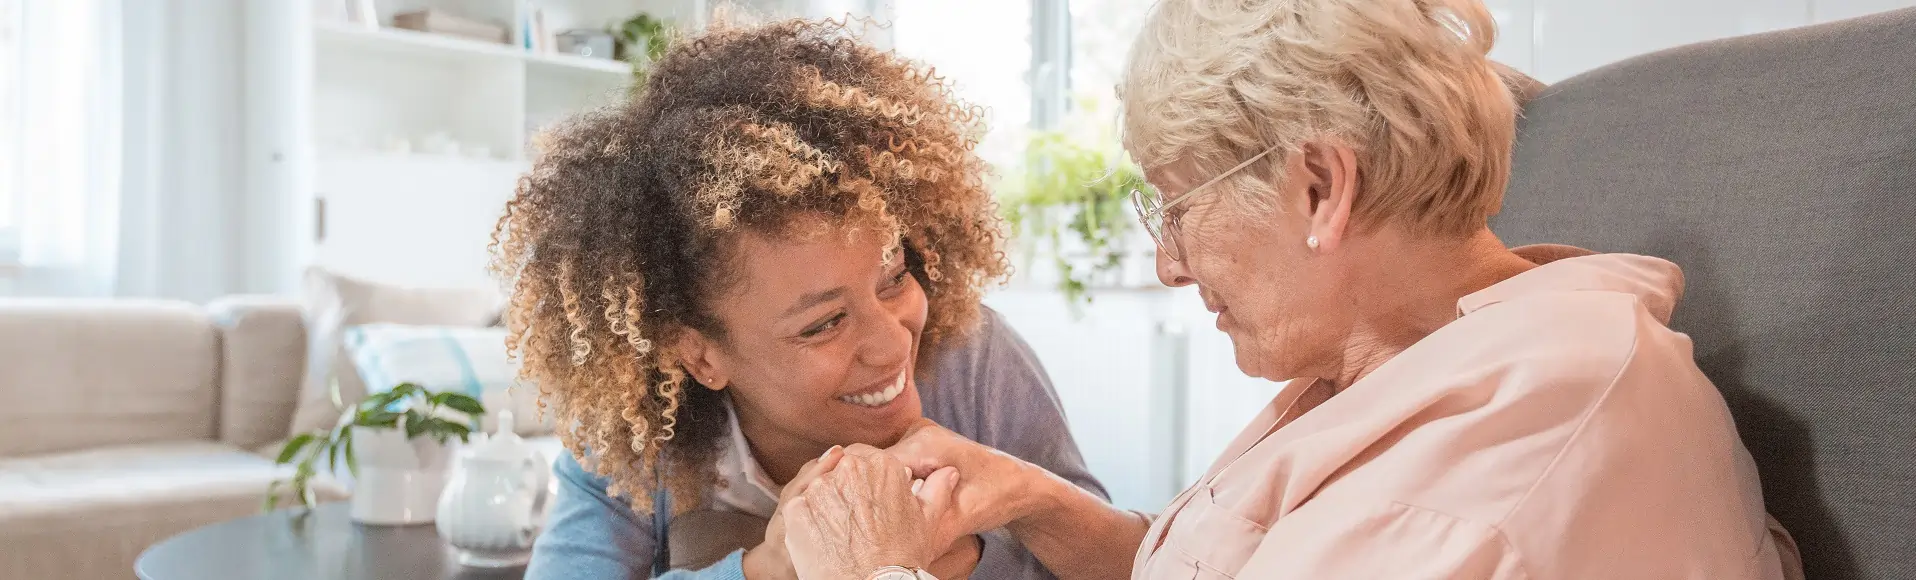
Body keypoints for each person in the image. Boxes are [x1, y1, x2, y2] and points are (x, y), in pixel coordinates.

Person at [777, 1, 1806, 579]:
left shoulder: (1485, 478)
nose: (1165, 264)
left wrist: (867, 570)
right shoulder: (1435, 350)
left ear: (1320, 186)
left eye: (1174, 208)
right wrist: (1035, 498)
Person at [494, 18, 1106, 580]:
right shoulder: (638, 434)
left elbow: (1129, 561)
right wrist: (770, 567)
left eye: (893, 278)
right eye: (825, 324)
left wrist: (970, 552)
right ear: (701, 356)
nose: (893, 342)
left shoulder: (973, 358)